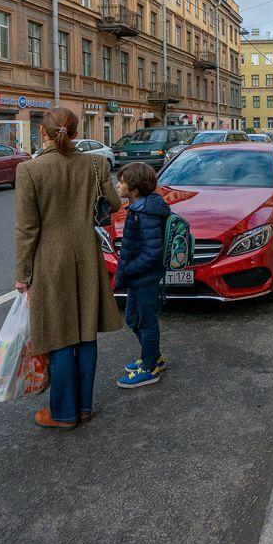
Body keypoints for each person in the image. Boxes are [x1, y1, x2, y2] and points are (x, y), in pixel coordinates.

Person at [15, 107, 122, 430]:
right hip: (88, 256)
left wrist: (22, 274)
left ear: (42, 134)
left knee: (60, 334)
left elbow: (27, 229)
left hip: (50, 261)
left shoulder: (30, 171)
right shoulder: (96, 163)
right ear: (76, 133)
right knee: (85, 332)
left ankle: (63, 413)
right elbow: (115, 205)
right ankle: (84, 407)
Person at [113, 162, 171, 388]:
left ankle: (150, 367)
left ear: (135, 188)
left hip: (144, 278)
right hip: (138, 278)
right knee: (132, 319)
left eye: (122, 181)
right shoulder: (139, 207)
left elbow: (152, 252)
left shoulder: (145, 212)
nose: (118, 184)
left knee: (146, 322)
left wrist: (128, 268)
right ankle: (153, 356)